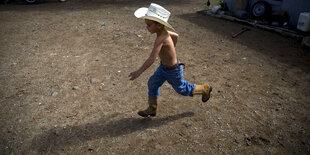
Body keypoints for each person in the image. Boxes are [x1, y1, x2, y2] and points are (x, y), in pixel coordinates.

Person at [129, 3, 212, 117]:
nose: (146, 27)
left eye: (148, 25)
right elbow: (176, 36)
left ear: (158, 25)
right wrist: (170, 52)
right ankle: (152, 108)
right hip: (163, 68)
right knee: (152, 83)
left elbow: (152, 58)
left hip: (173, 70)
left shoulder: (160, 38)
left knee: (182, 89)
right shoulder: (165, 33)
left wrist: (138, 72)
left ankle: (204, 89)